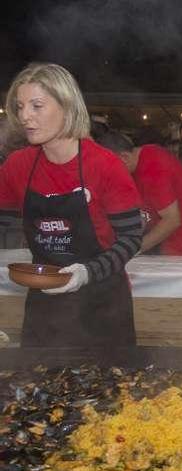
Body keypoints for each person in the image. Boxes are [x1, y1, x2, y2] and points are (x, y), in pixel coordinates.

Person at [0, 63, 143, 347]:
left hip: (102, 304)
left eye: (37, 105)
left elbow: (131, 238)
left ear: (67, 106)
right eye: (20, 106)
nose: (25, 116)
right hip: (44, 309)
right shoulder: (18, 165)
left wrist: (87, 272)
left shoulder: (105, 165)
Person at [96, 130, 182, 256]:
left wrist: (132, 250)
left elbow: (172, 220)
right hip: (172, 245)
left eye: (109, 168)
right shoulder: (140, 160)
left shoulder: (153, 167)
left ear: (124, 157)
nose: (109, 175)